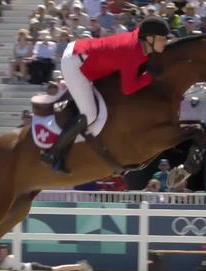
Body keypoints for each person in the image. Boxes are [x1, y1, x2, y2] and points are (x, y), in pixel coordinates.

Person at [41, 16, 170, 173]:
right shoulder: (132, 51)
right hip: (74, 64)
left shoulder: (140, 41)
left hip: (80, 53)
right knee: (90, 114)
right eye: (162, 39)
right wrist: (148, 76)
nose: (166, 41)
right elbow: (128, 89)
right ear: (149, 38)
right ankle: (53, 153)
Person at [0, 245, 93, 271]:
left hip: (32, 267)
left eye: (5, 251)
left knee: (55, 269)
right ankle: (81, 268)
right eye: (2, 251)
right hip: (30, 267)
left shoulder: (9, 258)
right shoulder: (1, 262)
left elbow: (8, 268)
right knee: (56, 270)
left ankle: (80, 265)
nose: (4, 253)